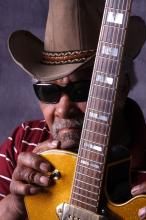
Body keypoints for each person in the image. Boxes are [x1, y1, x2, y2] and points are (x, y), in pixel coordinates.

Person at [0, 0, 146, 219]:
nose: (62, 109)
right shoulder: (24, 140)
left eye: (83, 90)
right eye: (48, 92)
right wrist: (15, 206)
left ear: (121, 89)